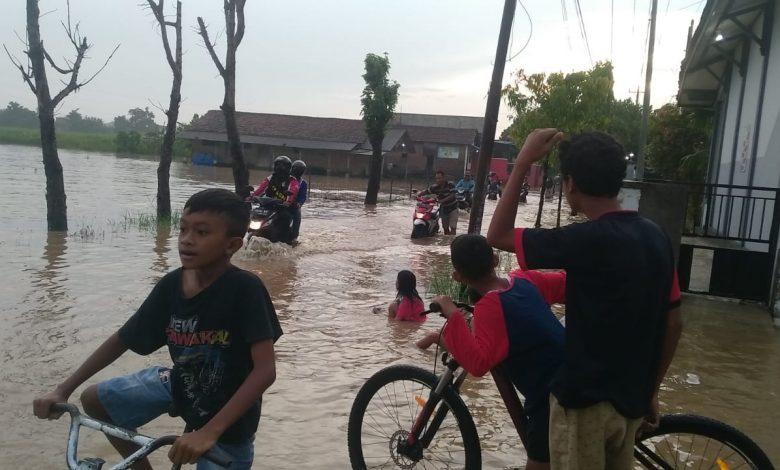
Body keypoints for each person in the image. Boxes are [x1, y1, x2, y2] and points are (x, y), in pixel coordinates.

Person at [33, 188, 283, 470]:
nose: (187, 241)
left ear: (232, 245)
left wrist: (209, 432)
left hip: (229, 420)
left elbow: (265, 371)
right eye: (183, 230)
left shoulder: (245, 289)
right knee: (95, 400)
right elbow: (122, 339)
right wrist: (62, 389)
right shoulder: (171, 285)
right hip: (179, 384)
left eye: (201, 233)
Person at [487, 129, 683, 470]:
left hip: (583, 405)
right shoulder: (657, 237)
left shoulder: (584, 239)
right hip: (630, 401)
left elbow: (497, 235)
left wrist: (521, 164)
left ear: (571, 184)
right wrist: (651, 390)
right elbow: (674, 323)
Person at [421, 234, 566, 470]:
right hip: (576, 371)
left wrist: (453, 313)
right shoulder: (524, 279)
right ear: (496, 260)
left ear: (458, 276)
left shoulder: (489, 307)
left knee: (539, 462)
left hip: (550, 397)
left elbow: (478, 364)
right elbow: (566, 284)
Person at [418, 170, 458, 235]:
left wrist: (442, 200)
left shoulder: (450, 184)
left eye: (439, 178)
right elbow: (426, 192)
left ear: (444, 178)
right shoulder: (434, 187)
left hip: (453, 208)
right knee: (445, 228)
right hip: (444, 208)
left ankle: (452, 240)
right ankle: (447, 242)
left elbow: (453, 195)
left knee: (453, 226)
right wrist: (419, 194)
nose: (438, 180)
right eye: (436, 178)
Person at [290, 159, 308, 242]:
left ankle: (294, 237)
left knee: (297, 215)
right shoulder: (286, 178)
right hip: (282, 201)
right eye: (295, 169)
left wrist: (299, 204)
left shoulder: (303, 183)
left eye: (299, 170)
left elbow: (303, 196)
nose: (296, 171)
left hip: (293, 204)